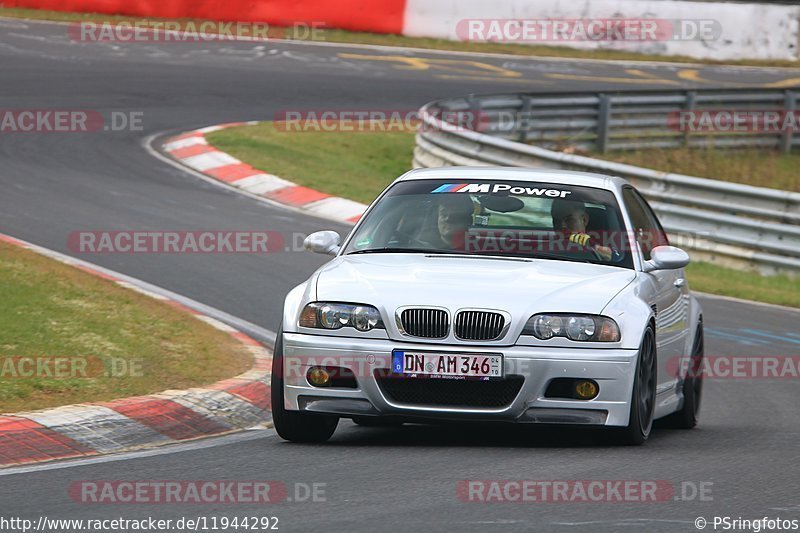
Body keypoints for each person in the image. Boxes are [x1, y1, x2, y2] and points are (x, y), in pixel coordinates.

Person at [550, 199, 615, 261]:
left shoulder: (608, 240)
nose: (562, 226)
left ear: (584, 220)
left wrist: (592, 246)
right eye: (556, 221)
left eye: (569, 220)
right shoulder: (548, 246)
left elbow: (613, 256)